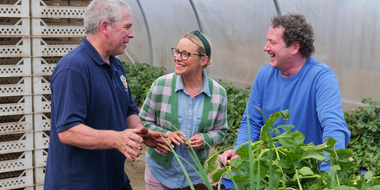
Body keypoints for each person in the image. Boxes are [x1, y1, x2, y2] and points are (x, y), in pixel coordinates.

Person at [44, 0, 167, 189]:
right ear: (105, 27)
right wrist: (116, 139)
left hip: (113, 179)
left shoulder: (115, 65)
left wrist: (141, 133)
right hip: (80, 183)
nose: (131, 34)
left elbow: (128, 109)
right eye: (127, 27)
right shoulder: (73, 68)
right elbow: (68, 131)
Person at [219, 13, 351, 172]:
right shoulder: (264, 75)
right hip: (272, 171)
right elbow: (252, 122)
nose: (265, 47)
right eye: (267, 40)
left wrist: (327, 175)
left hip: (308, 173)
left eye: (272, 42)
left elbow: (334, 126)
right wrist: (240, 151)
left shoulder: (321, 77)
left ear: (295, 47)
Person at [139, 30, 228, 189]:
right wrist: (165, 135)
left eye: (185, 54)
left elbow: (221, 130)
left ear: (203, 60)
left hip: (196, 175)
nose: (178, 57)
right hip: (160, 172)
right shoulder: (161, 85)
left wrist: (204, 138)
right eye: (177, 52)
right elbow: (143, 122)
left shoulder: (218, 93)